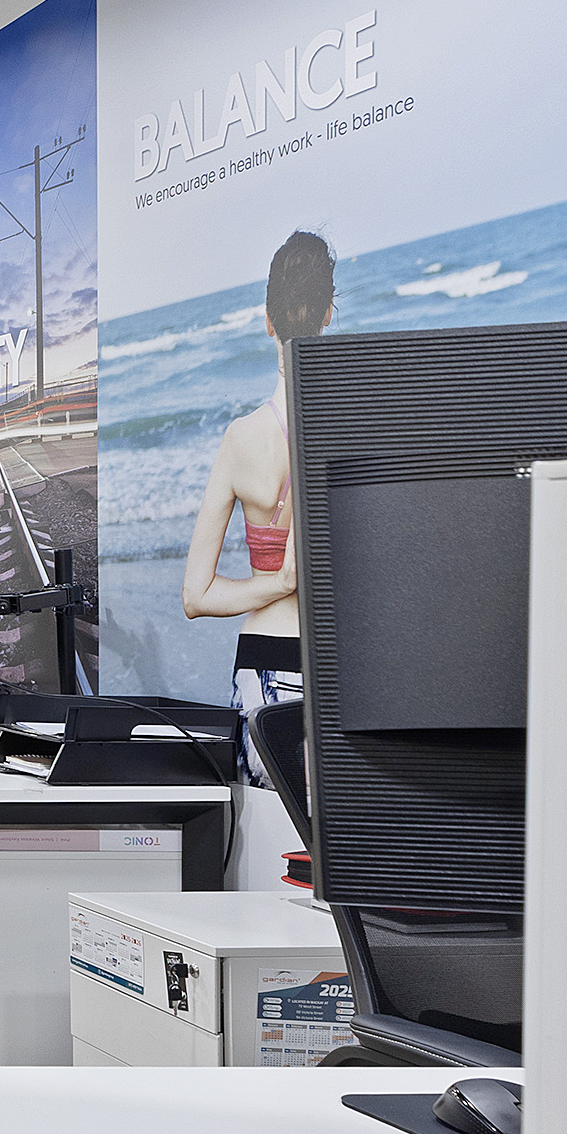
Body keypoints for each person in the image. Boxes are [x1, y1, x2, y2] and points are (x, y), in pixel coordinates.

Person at [182, 231, 335, 782]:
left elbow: (196, 596)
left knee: (267, 831)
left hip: (262, 660)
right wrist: (296, 577)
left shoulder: (240, 439)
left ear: (268, 321)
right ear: (328, 313)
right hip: (336, 660)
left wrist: (277, 582)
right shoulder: (349, 426)